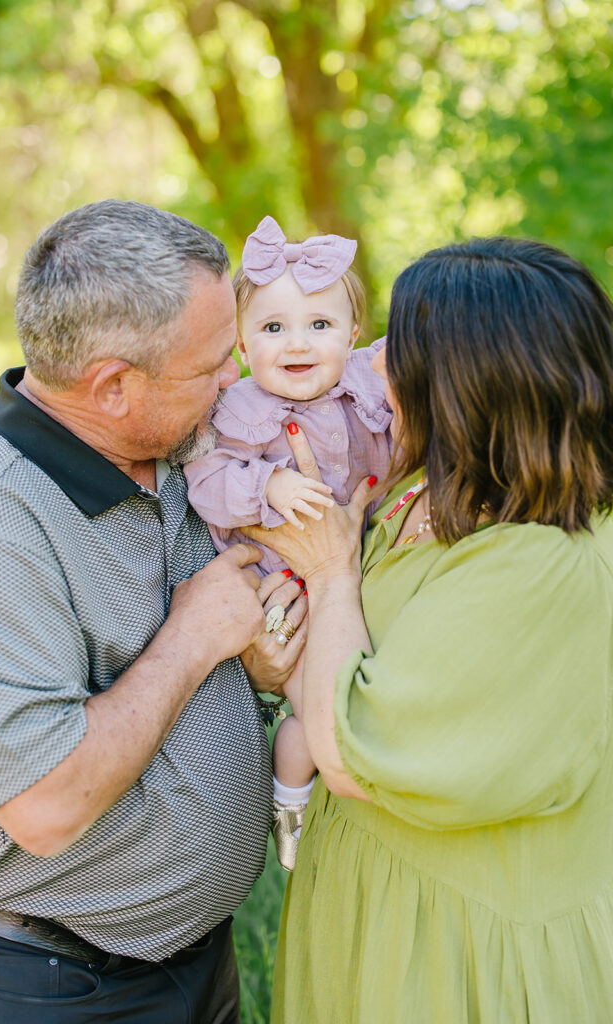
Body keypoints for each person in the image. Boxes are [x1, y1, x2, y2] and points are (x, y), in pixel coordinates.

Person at [0, 199, 307, 1023]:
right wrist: (192, 638)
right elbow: (45, 807)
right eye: (213, 363)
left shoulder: (177, 448)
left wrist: (257, 674)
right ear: (112, 385)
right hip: (53, 987)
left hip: (194, 962)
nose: (235, 378)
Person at [244, 237, 613, 1023]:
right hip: (368, 914)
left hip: (458, 960)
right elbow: (350, 671)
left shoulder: (540, 565)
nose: (372, 366)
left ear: (467, 386)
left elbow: (354, 753)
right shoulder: (423, 501)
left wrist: (329, 573)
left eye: (400, 352)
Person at [184, 215, 393, 870]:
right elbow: (207, 482)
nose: (297, 344)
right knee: (318, 707)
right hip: (282, 583)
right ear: (241, 345)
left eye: (320, 326)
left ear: (353, 335)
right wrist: (270, 485)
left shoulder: (364, 384)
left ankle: (304, 797)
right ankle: (295, 805)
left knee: (360, 681)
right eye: (273, 329)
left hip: (359, 562)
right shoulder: (240, 411)